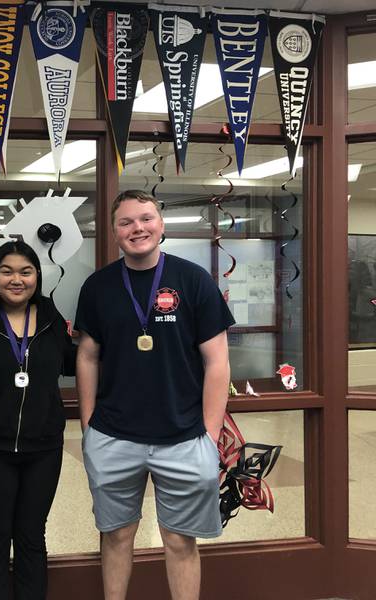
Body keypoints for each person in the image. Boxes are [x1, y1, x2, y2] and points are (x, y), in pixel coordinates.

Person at [75, 190, 234, 600]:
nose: (137, 228)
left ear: (161, 226)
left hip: (184, 438)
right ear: (114, 232)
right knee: (116, 535)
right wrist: (90, 427)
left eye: (146, 218)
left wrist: (209, 436)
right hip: (113, 436)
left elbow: (217, 362)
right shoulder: (98, 287)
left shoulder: (193, 280)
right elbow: (88, 357)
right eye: (126, 222)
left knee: (180, 540)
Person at [0, 240, 77, 600]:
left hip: (43, 448)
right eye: (7, 271)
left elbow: (70, 362)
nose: (16, 279)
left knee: (32, 537)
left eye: (26, 271)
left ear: (37, 275)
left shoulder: (52, 319)